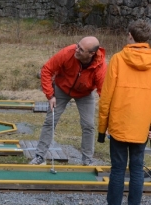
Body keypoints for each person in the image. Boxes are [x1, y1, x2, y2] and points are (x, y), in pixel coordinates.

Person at [97, 20, 151, 205]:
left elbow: (106, 97)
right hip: (142, 127)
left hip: (119, 124)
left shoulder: (118, 59)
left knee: (118, 169)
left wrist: (102, 128)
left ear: (130, 36)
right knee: (137, 169)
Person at [29, 36, 106, 166]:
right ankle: (39, 156)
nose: (76, 50)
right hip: (61, 88)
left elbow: (104, 93)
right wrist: (50, 95)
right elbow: (47, 70)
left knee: (89, 125)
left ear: (91, 54)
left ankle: (87, 160)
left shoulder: (101, 68)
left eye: (81, 50)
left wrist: (107, 118)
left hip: (85, 94)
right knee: (50, 120)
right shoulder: (68, 52)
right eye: (77, 45)